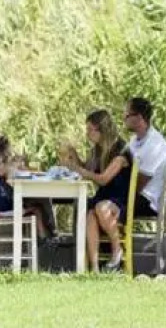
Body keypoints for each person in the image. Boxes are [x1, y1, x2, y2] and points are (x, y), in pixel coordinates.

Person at [60, 110, 133, 272]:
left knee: (101, 207)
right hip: (103, 197)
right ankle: (94, 268)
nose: (87, 134)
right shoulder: (97, 150)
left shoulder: (120, 152)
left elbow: (103, 179)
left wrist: (79, 170)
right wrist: (75, 157)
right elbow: (88, 169)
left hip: (118, 200)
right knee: (90, 215)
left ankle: (117, 250)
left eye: (90, 130)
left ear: (102, 130)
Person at [0, 134, 58, 238]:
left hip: (2, 203)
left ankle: (48, 236)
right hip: (3, 206)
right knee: (40, 202)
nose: (10, 153)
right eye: (8, 150)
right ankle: (50, 237)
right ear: (2, 152)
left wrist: (18, 165)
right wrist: (15, 162)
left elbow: (13, 171)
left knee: (40, 200)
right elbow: (7, 169)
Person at [0, 150, 48, 238]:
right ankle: (44, 239)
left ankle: (43, 238)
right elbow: (7, 168)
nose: (0, 165)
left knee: (32, 204)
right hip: (3, 211)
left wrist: (15, 164)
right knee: (37, 209)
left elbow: (9, 171)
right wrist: (15, 161)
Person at [123, 98, 166, 218]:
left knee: (101, 205)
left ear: (139, 117)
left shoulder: (155, 144)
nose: (124, 118)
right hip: (135, 195)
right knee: (93, 204)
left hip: (148, 200)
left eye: (127, 115)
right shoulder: (134, 141)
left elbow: (139, 183)